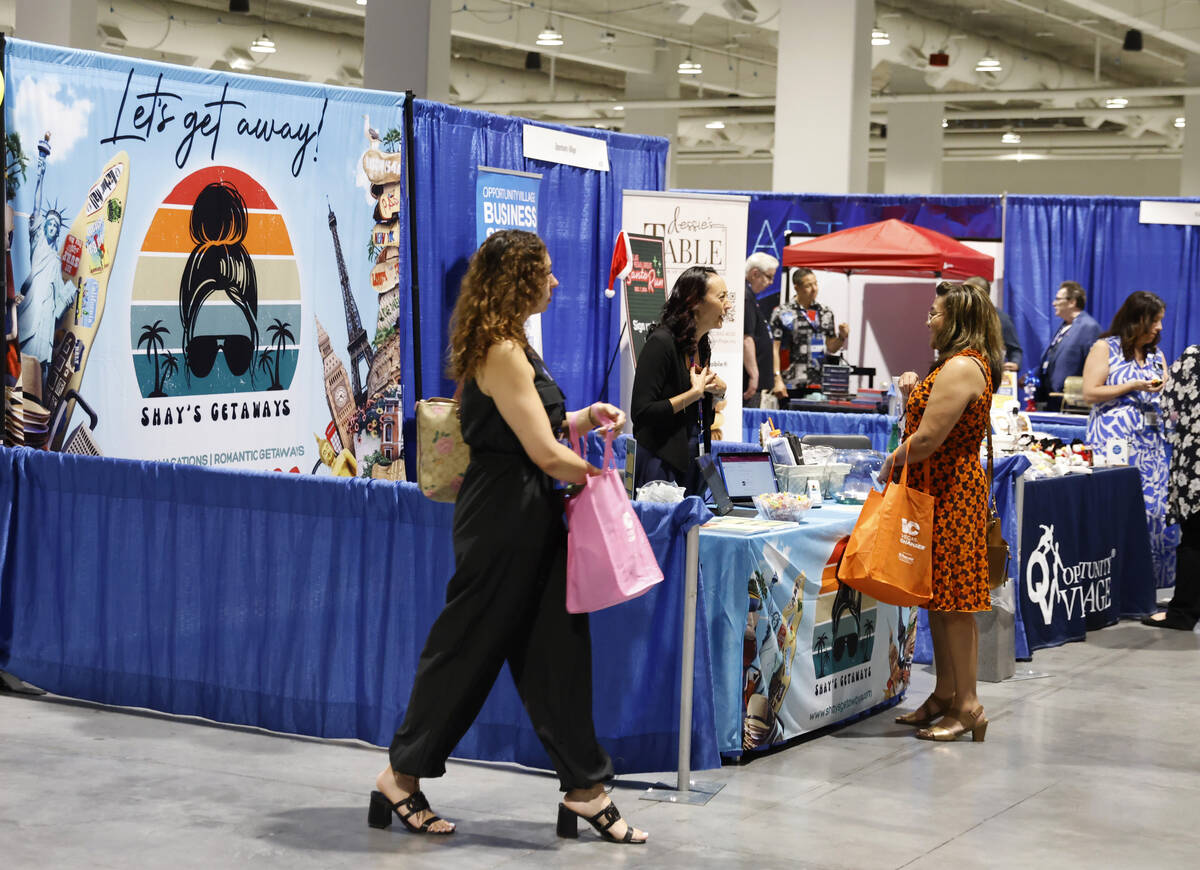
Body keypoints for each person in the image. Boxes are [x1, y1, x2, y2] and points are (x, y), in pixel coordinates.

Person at [374, 230, 646, 844]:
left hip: (528, 516)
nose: (555, 283)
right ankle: (400, 776)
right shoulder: (502, 349)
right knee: (465, 651)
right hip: (503, 520)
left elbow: (543, 428)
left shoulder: (514, 344)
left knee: (559, 654)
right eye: (544, 273)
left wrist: (586, 417)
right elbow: (546, 455)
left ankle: (585, 789)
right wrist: (602, 476)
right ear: (517, 279)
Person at [883, 280, 1003, 742]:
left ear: (956, 320)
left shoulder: (962, 366)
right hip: (940, 492)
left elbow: (930, 439)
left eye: (935, 313)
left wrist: (889, 462)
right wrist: (913, 386)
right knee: (939, 598)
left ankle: (969, 704)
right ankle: (945, 694)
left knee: (956, 605)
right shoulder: (952, 366)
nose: (928, 320)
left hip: (953, 494)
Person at [1083, 291, 1177, 590]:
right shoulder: (1104, 347)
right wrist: (1132, 385)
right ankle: (1114, 584)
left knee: (1156, 514)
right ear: (1137, 320)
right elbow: (1089, 393)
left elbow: (1166, 395)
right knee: (1118, 513)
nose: (1160, 328)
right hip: (1114, 445)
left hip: (1151, 446)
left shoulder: (1155, 354)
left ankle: (1152, 586)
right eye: (1155, 321)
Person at [631, 265, 729, 496]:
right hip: (661, 461)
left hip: (696, 457)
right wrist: (693, 394)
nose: (728, 305)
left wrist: (716, 393)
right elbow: (642, 412)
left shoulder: (701, 344)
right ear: (695, 302)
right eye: (721, 297)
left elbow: (697, 411)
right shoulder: (661, 343)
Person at [1144, 343, 1200, 630]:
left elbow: (1170, 404)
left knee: (1193, 538)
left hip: (1196, 462)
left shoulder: (1194, 356)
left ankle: (1183, 613)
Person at [771, 268, 849, 400]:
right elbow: (774, 348)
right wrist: (777, 378)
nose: (814, 289)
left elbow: (831, 347)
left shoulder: (825, 312)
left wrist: (841, 336)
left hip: (818, 383)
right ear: (796, 288)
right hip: (790, 382)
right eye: (808, 285)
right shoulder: (782, 312)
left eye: (815, 284)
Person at [1035, 280, 1101, 410]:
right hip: (1051, 400)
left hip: (1071, 404)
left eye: (1058, 299)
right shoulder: (1064, 326)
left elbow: (1094, 367)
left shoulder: (1089, 327)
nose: (1054, 303)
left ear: (1072, 302)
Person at [964, 276, 1021, 372]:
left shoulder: (1002, 319)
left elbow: (1015, 350)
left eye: (965, 292)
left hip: (990, 375)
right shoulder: (959, 317)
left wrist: (1015, 363)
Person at [743, 253, 777, 408]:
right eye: (769, 277)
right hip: (749, 382)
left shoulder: (750, 296)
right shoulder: (746, 296)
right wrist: (754, 375)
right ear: (755, 273)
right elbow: (746, 338)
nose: (771, 283)